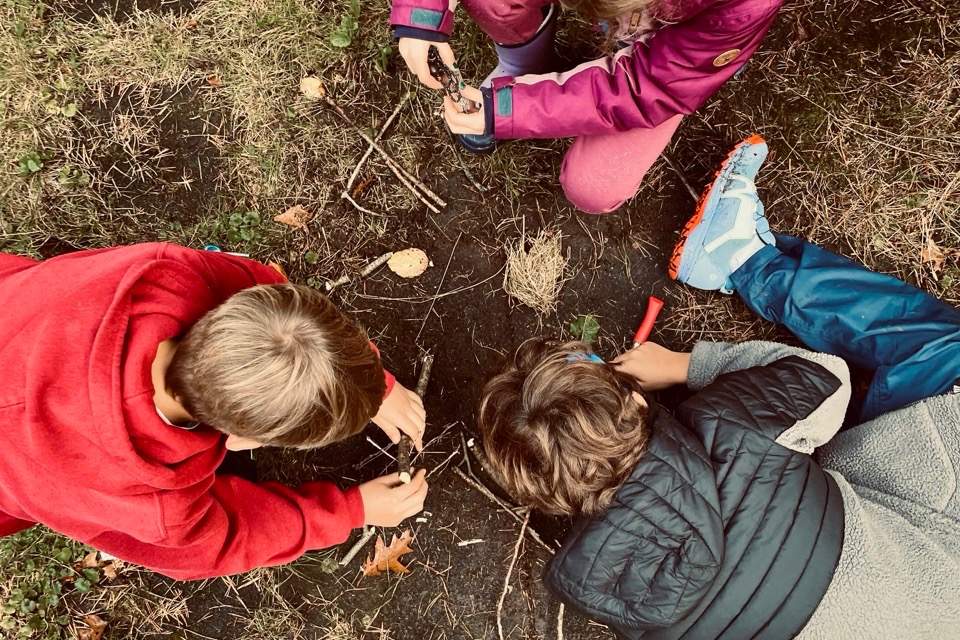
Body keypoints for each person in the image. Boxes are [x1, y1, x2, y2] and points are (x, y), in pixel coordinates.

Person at [477, 137, 960, 638]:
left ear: (546, 497)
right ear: (636, 399)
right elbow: (827, 379)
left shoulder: (614, 603)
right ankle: (740, 254)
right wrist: (687, 366)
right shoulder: (734, 426)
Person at [0, 243, 429, 580]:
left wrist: (374, 384)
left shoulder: (167, 273)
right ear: (242, 441)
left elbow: (255, 284)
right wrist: (350, 511)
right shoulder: (158, 508)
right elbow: (226, 540)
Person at [391, 0, 784, 213]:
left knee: (592, 187)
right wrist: (420, 12)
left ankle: (667, 45)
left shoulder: (745, 4)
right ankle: (524, 64)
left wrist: (510, 110)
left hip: (672, 61)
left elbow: (644, 88)